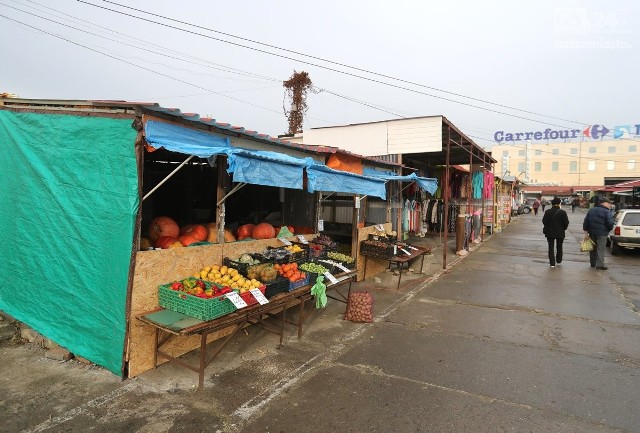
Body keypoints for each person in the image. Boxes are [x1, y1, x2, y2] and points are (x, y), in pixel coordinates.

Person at [582, 197, 615, 270]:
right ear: (603, 203)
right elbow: (610, 223)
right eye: (609, 203)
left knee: (592, 248)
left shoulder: (592, 210)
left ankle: (593, 263)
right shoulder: (607, 212)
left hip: (592, 232)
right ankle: (600, 265)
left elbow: (586, 220)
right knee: (600, 248)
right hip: (602, 233)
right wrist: (609, 229)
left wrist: (585, 229)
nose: (610, 205)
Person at [542, 197, 569, 268]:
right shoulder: (563, 212)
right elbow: (566, 223)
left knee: (551, 247)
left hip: (550, 232)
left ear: (552, 204)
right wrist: (563, 228)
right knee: (559, 246)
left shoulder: (548, 212)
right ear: (559, 204)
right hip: (560, 232)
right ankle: (559, 260)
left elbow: (544, 221)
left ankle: (552, 263)